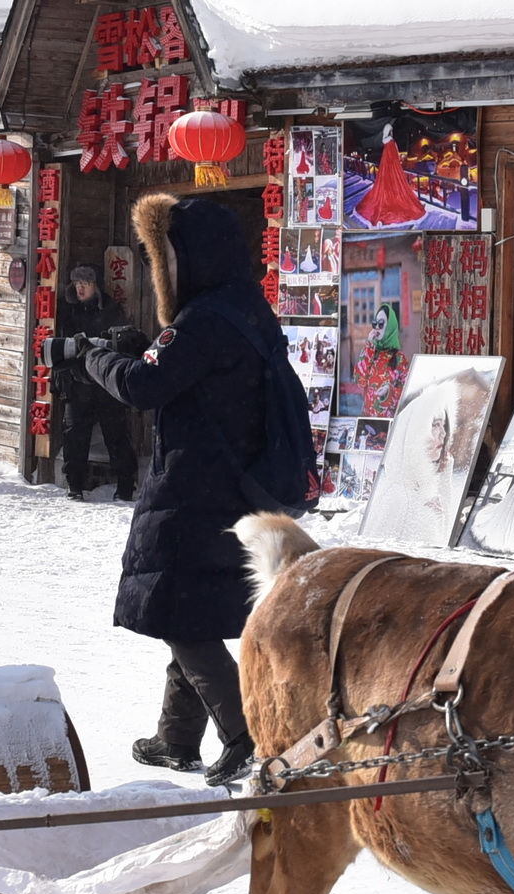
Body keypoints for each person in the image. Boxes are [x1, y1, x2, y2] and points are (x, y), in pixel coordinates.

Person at [82, 193, 315, 786]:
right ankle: (175, 738)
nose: (162, 269)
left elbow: (142, 387)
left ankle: (244, 734)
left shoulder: (205, 319)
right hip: (234, 485)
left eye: (164, 256)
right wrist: (146, 348)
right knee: (192, 608)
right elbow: (184, 372)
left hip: (194, 486)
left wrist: (96, 358)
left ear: (189, 258)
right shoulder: (247, 309)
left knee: (179, 617)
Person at [50, 263, 138, 500]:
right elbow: (57, 348)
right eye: (77, 284)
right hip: (77, 384)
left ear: (95, 286)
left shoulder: (111, 310)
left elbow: (120, 345)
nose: (80, 289)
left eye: (85, 284)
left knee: (117, 436)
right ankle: (74, 486)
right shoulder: (66, 311)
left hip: (106, 384)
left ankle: (126, 487)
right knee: (74, 438)